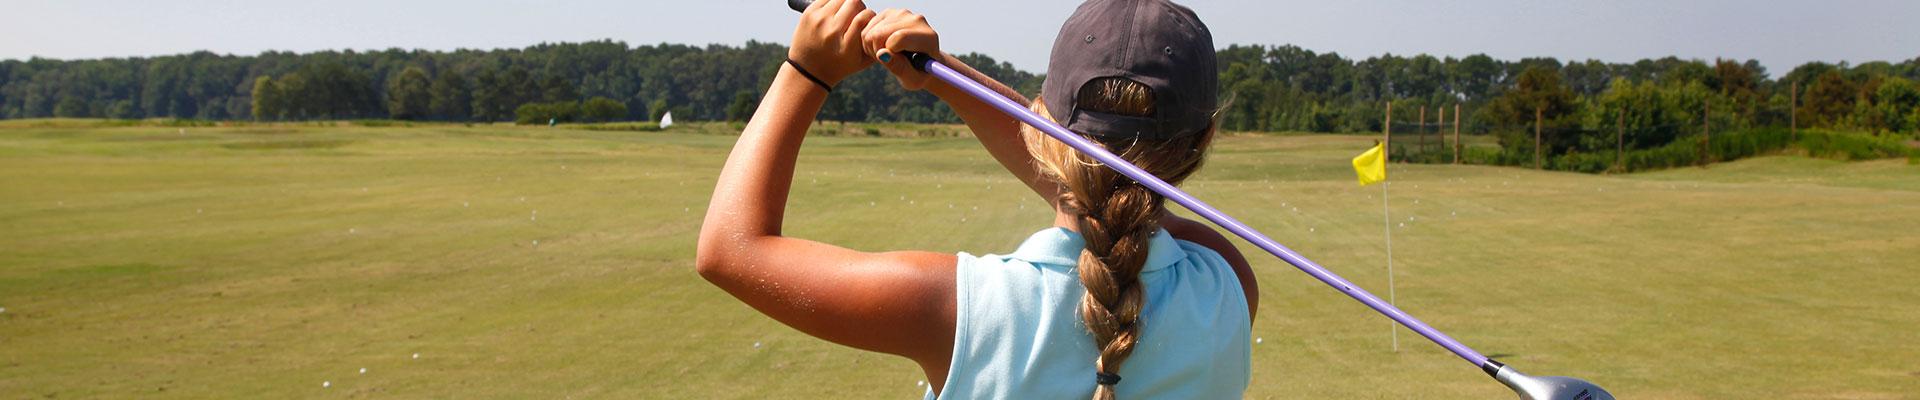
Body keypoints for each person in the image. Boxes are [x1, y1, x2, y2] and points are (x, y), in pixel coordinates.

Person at [695, 0, 1256, 398]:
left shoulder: (955, 308)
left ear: (1039, 121)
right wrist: (941, 75)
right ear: (1204, 138)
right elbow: (1108, 198)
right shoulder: (1227, 281)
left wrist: (806, 71)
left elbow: (730, 250)